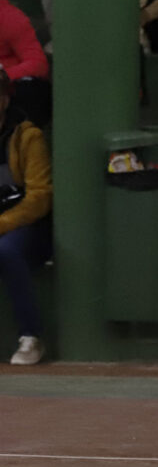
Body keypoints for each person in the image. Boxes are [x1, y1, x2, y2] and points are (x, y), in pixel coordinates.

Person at [0, 69, 51, 365]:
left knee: (5, 251)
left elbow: (39, 197)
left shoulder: (27, 136)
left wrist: (3, 224)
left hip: (26, 227)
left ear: (5, 100)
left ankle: (31, 337)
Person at [0, 0, 51, 128]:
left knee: (32, 91)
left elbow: (38, 64)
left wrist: (5, 74)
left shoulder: (9, 17)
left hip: (10, 92)